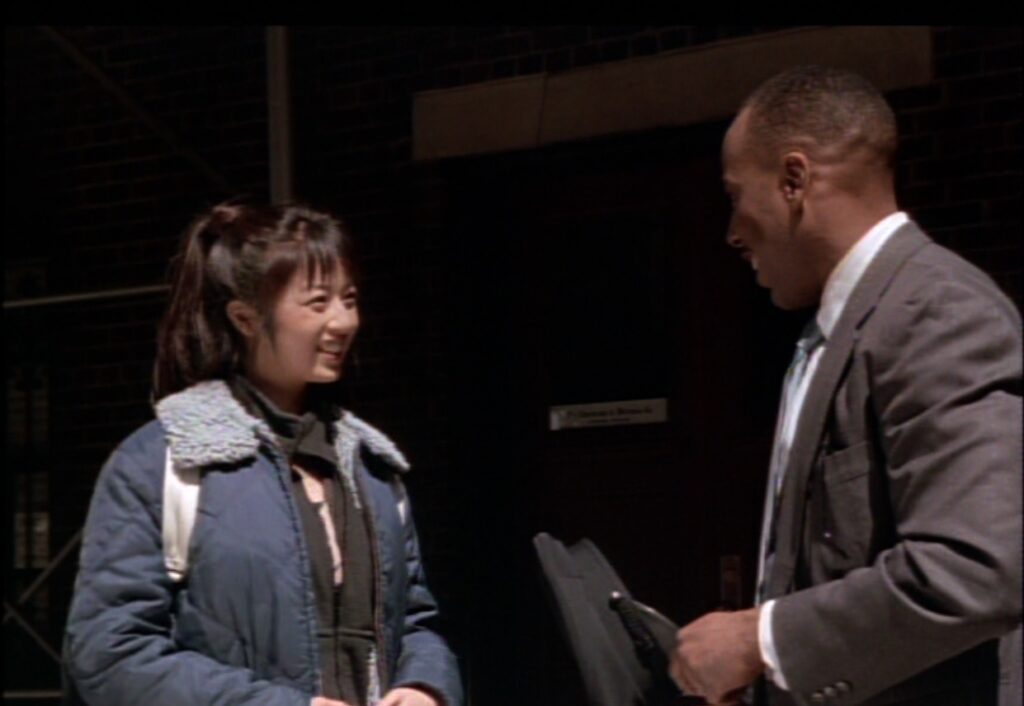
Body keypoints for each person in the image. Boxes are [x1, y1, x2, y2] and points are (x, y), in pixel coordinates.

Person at [669, 66, 1022, 705]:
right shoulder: (840, 329)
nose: (733, 231)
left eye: (735, 195)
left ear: (794, 181)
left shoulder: (936, 313)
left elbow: (974, 570)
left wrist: (759, 642)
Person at [63, 202, 462, 706]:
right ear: (245, 318)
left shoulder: (371, 467)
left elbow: (415, 620)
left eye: (350, 299)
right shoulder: (166, 461)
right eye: (317, 302)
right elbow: (109, 652)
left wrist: (426, 686)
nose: (343, 321)